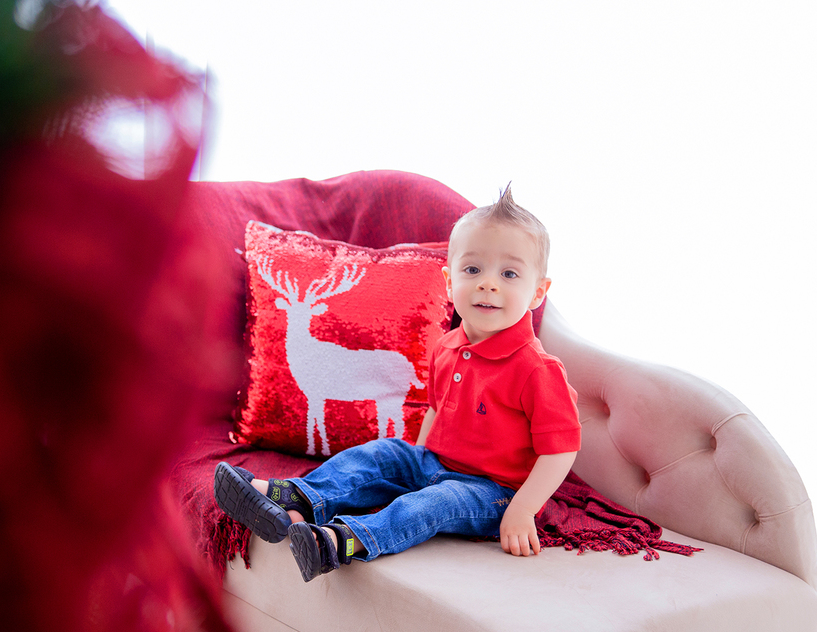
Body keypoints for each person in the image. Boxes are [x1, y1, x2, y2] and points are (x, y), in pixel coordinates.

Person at [214, 186, 581, 582]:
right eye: (472, 270)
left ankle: (342, 541)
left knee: (432, 503)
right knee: (379, 455)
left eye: (509, 274)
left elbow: (561, 450)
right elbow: (437, 411)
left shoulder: (536, 369)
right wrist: (411, 465)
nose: (487, 284)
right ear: (449, 280)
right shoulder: (448, 347)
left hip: (492, 492)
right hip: (436, 463)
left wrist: (523, 509)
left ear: (537, 293)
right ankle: (294, 501)